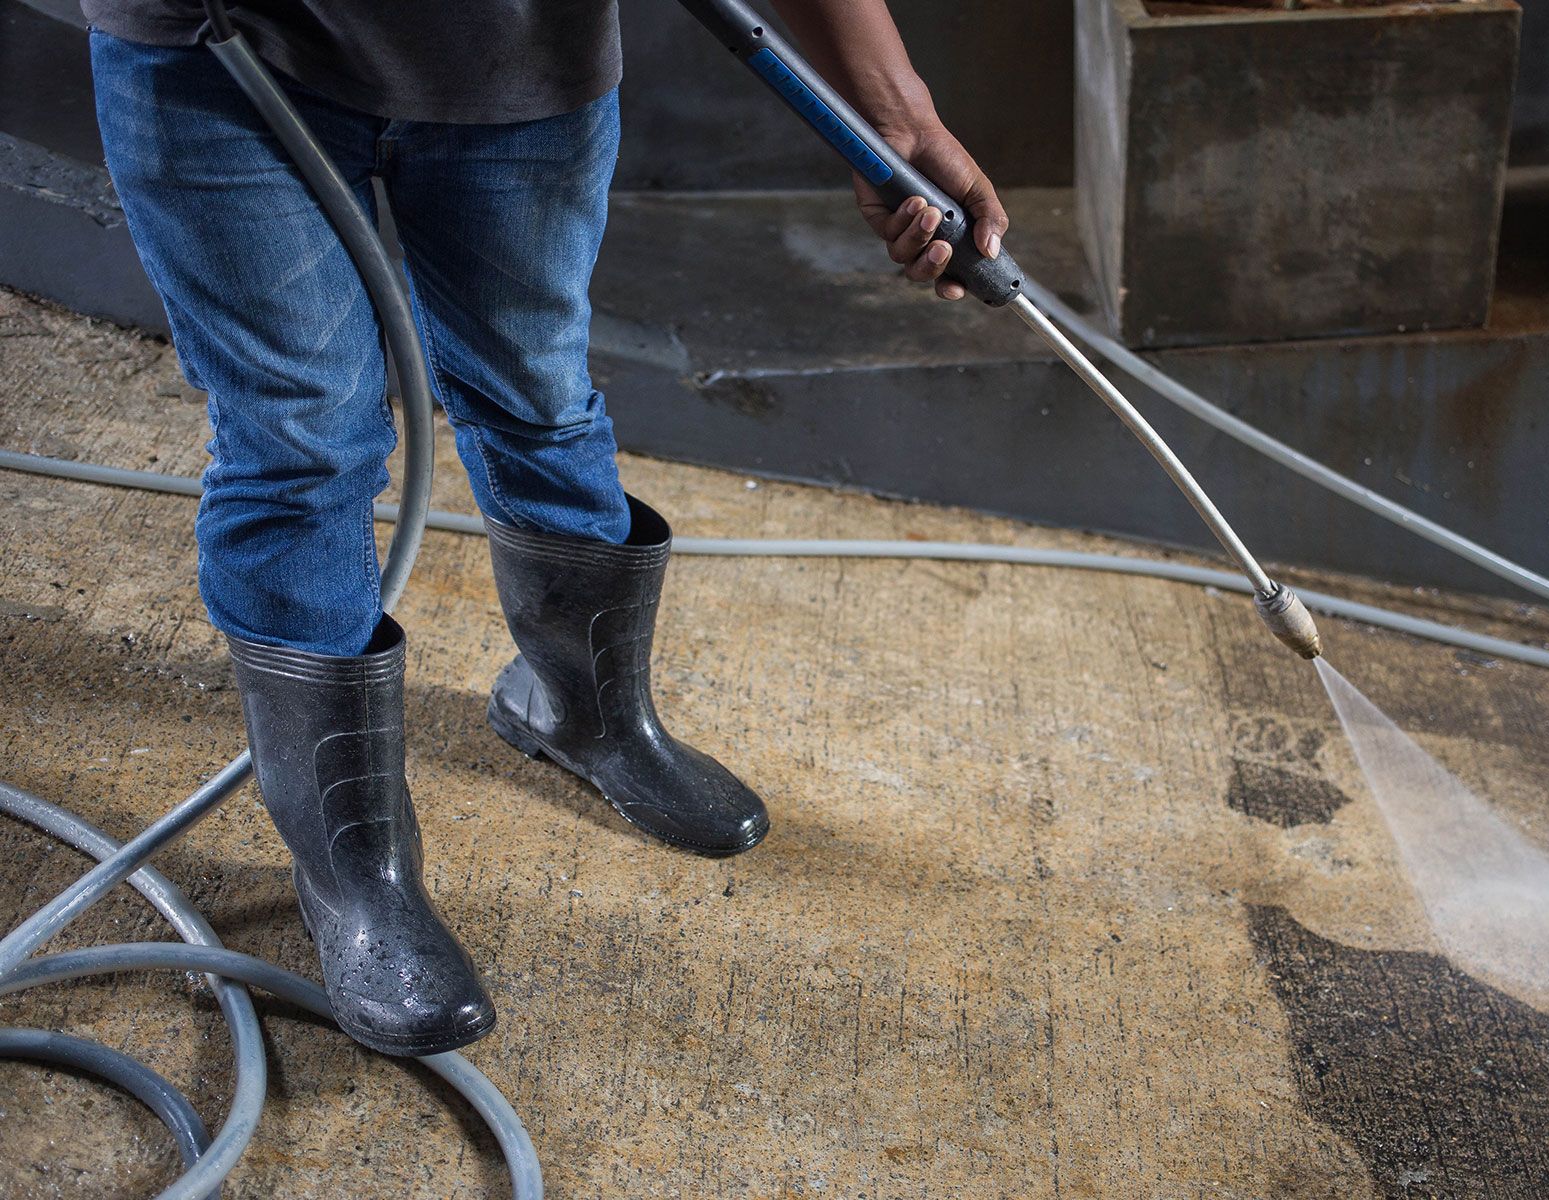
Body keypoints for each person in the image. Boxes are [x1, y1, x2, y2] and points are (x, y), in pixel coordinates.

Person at [81, 0, 1009, 1057]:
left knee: (538, 391)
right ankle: (355, 872)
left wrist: (892, 108)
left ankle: (585, 713)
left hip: (516, 65)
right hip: (221, 53)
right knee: (302, 442)